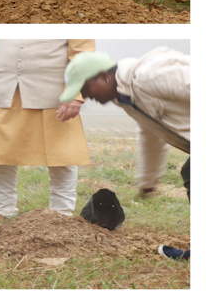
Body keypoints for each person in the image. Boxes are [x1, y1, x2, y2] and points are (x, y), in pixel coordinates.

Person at [59, 47, 191, 260]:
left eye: (87, 88)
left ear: (104, 76)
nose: (88, 96)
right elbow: (150, 135)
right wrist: (148, 181)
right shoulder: (126, 98)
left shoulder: (148, 77)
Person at [0, 39, 93, 219]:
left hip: (53, 93)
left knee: (61, 155)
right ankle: (3, 210)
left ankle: (61, 213)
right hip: (1, 88)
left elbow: (82, 55)